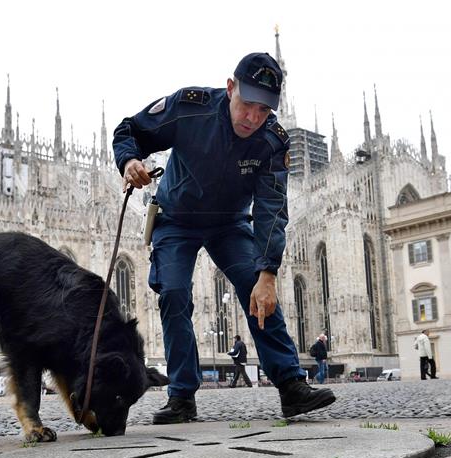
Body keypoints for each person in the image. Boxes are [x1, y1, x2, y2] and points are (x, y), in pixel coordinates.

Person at [113, 52, 336, 423]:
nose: (252, 117)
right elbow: (130, 130)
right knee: (173, 292)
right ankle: (182, 396)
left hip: (229, 223)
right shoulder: (190, 108)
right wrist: (129, 161)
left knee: (257, 287)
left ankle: (291, 386)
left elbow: (271, 208)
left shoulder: (272, 141)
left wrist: (268, 273)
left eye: (264, 110)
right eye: (246, 103)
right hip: (177, 219)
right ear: (230, 88)